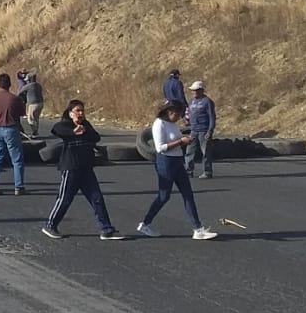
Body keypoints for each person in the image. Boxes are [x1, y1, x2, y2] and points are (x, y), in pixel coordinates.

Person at [42, 100, 123, 240]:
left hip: (86, 168)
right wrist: (73, 132)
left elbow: (96, 137)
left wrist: (85, 131)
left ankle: (107, 229)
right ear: (70, 113)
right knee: (64, 199)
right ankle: (50, 225)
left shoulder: (86, 125)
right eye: (77, 111)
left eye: (82, 111)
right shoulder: (65, 125)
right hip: (71, 168)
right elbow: (56, 129)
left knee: (96, 198)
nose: (80, 114)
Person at [138, 103, 217, 240]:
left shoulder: (172, 124)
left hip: (177, 161)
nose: (178, 117)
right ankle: (145, 223)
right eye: (177, 114)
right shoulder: (159, 124)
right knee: (164, 196)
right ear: (169, 112)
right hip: (166, 162)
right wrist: (181, 142)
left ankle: (198, 229)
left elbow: (176, 138)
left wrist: (185, 140)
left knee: (188, 194)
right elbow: (160, 148)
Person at [0, 73, 27, 196]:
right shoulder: (14, 99)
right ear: (9, 84)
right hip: (11, 128)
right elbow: (21, 113)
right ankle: (18, 186)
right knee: (17, 159)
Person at [185, 81, 217, 179]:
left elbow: (212, 117)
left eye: (196, 90)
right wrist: (187, 120)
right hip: (194, 130)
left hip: (204, 130)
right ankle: (188, 171)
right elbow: (189, 113)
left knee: (206, 152)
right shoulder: (191, 101)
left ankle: (207, 172)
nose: (194, 92)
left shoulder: (207, 101)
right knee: (189, 151)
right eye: (193, 90)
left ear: (201, 90)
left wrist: (210, 130)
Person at [21, 73, 45, 137]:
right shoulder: (38, 85)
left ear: (29, 80)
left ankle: (34, 132)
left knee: (30, 119)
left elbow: (20, 92)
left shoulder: (28, 86)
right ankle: (36, 132)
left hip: (33, 104)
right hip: (41, 103)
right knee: (36, 118)